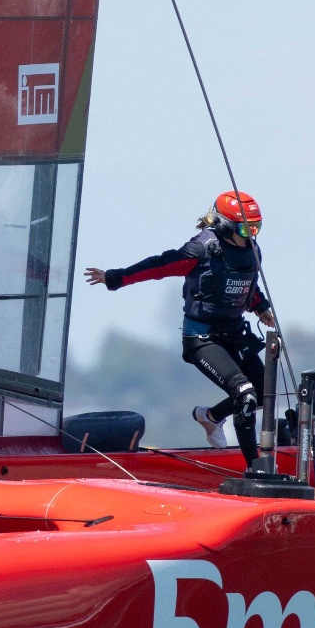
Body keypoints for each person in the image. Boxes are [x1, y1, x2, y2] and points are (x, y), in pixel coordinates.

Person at [85, 190, 275, 467]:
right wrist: (116, 277)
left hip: (234, 334)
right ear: (225, 225)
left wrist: (261, 307)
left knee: (263, 391)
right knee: (245, 394)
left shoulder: (252, 251)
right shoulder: (202, 249)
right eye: (246, 229)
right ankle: (256, 468)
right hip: (203, 338)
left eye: (257, 228)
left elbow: (246, 284)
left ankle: (210, 417)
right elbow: (159, 266)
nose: (251, 235)